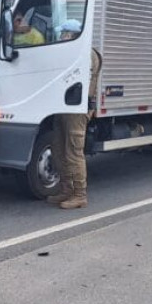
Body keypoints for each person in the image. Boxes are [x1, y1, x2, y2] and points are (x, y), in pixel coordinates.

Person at [48, 20, 101, 209]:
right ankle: (66, 189)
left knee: (73, 152)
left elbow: (79, 82)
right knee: (58, 150)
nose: (61, 37)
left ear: (72, 34)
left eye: (64, 34)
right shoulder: (72, 52)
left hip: (76, 109)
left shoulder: (86, 54)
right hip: (64, 107)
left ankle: (79, 194)